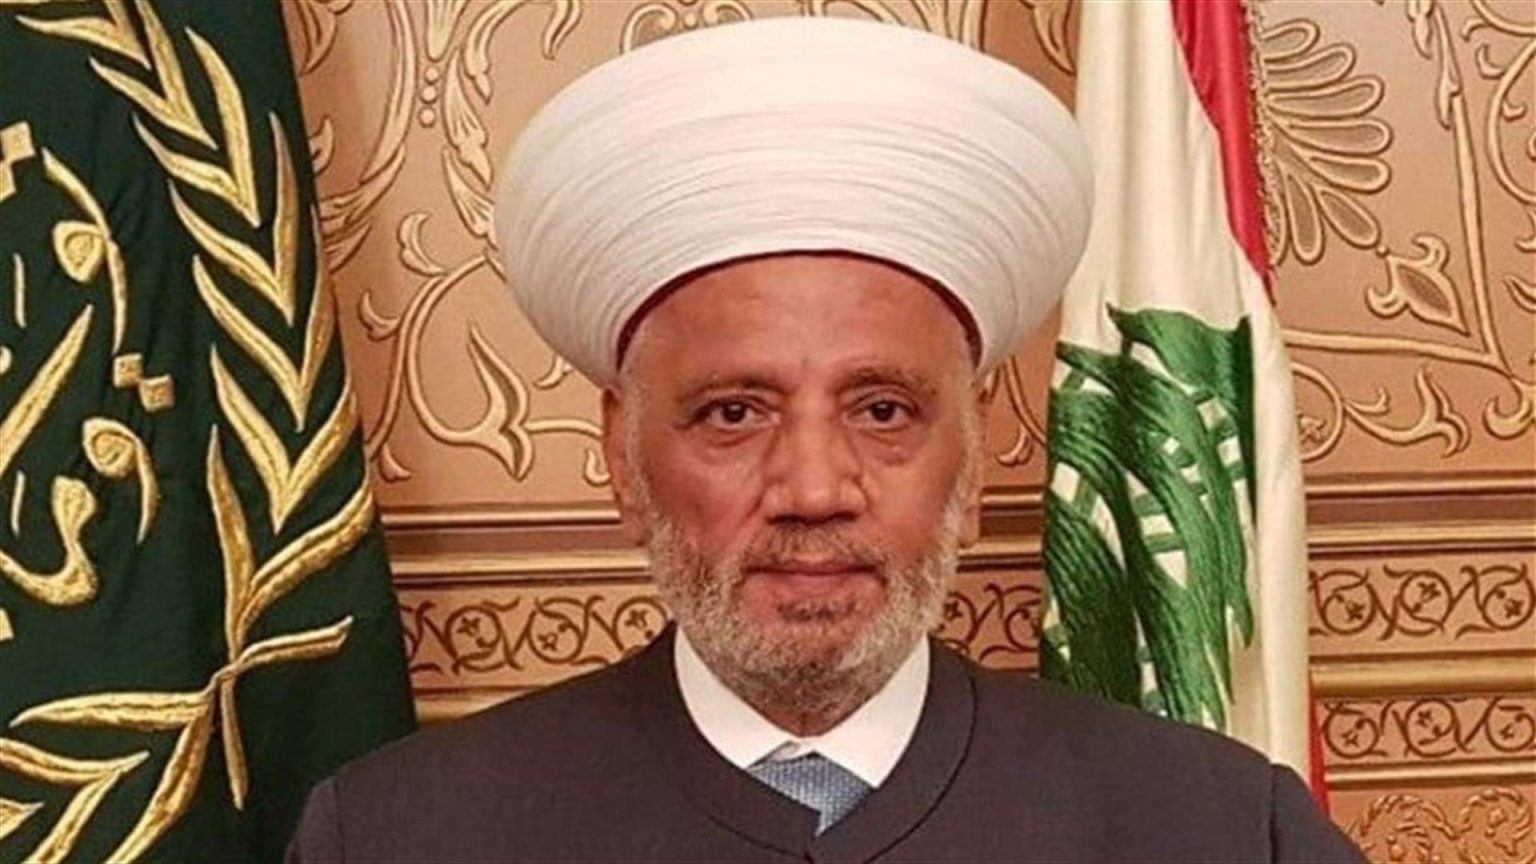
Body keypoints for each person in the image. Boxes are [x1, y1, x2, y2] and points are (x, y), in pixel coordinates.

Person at [287, 17, 1364, 863]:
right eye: (734, 413)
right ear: (622, 455)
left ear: (973, 456)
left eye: (882, 411)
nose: (813, 488)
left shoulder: (1216, 828)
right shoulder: (401, 837)